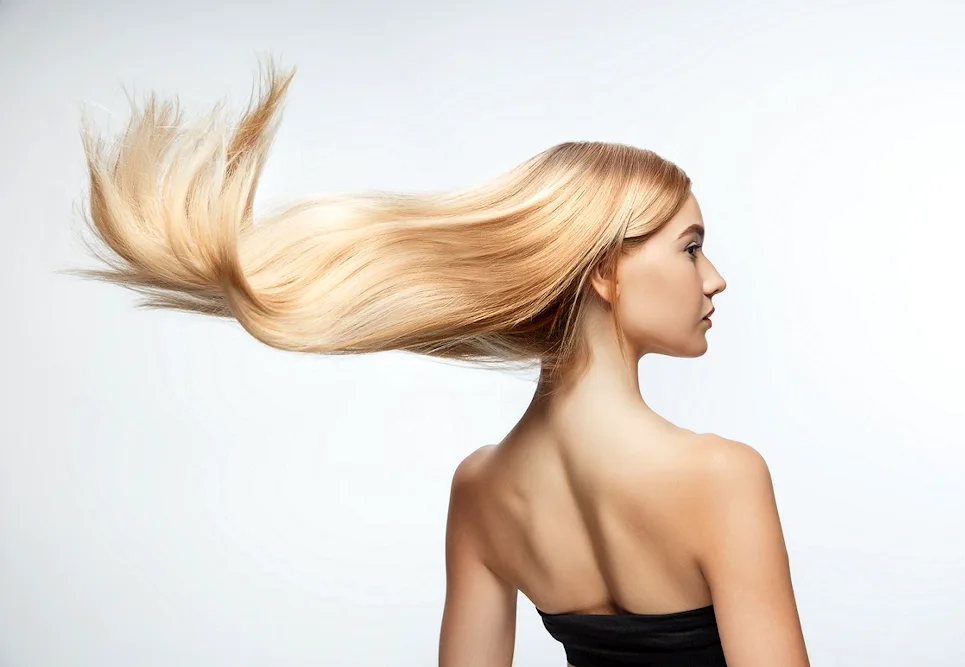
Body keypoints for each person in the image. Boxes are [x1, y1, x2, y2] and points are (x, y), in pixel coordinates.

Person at [67, 60, 810, 667]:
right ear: (606, 273)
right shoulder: (721, 476)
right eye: (690, 246)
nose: (713, 277)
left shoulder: (484, 489)